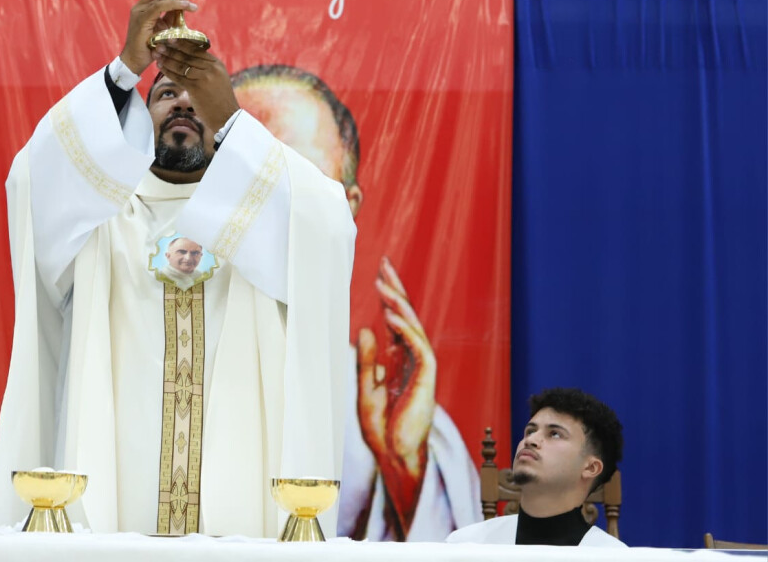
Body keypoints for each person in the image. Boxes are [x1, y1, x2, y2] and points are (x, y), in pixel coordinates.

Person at [0, 0, 356, 537]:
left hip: (243, 503)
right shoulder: (98, 215)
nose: (182, 102)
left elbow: (330, 223)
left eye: (196, 94)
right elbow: (33, 177)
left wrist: (231, 115)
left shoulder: (257, 214)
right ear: (135, 118)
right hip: (111, 491)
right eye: (163, 92)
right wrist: (125, 66)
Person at [231, 64, 480, 540]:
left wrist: (403, 469)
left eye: (300, 182)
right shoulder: (139, 351)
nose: (266, 207)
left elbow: (451, 544)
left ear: (349, 208)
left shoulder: (380, 406)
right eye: (240, 178)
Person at [446, 387, 625, 547]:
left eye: (554, 434)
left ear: (590, 468)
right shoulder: (465, 546)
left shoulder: (611, 556)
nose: (530, 440)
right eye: (530, 431)